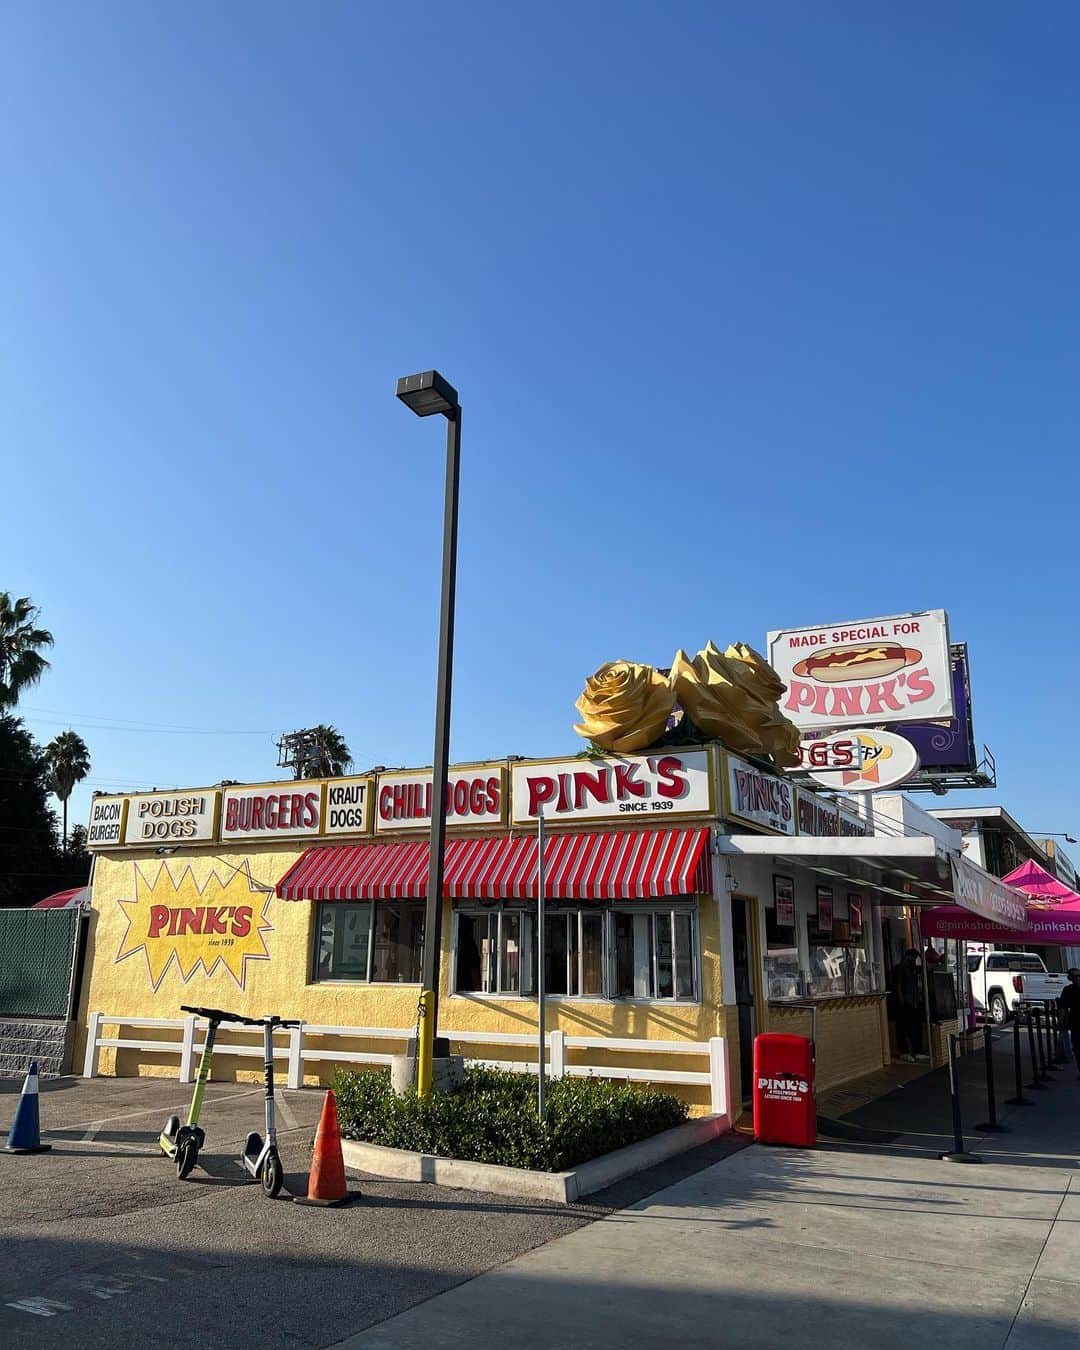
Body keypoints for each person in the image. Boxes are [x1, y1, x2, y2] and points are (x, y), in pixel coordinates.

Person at [894, 948, 929, 1062]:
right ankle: (906, 1051)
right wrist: (901, 1000)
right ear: (908, 956)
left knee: (915, 1027)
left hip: (914, 1001)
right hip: (907, 1002)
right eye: (913, 957)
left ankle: (916, 1051)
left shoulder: (913, 969)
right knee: (906, 1027)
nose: (914, 960)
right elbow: (899, 985)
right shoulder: (901, 968)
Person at [1058, 968, 1080, 1076]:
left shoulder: (1067, 990)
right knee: (1077, 1048)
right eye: (1075, 976)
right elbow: (1063, 1008)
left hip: (1075, 1022)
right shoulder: (1068, 990)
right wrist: (1061, 1021)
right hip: (1075, 1022)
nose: (1077, 978)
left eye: (1079, 976)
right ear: (1070, 978)